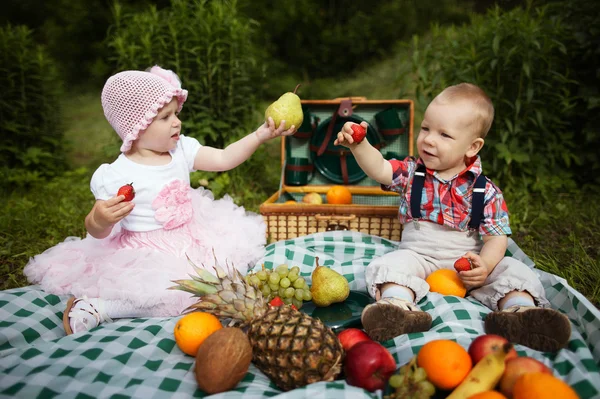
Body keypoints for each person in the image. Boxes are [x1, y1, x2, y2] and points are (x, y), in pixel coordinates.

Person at [24, 66, 296, 335]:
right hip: (146, 252)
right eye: (165, 117)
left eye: (175, 114)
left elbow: (224, 158)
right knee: (167, 294)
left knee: (215, 287)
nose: (176, 122)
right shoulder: (116, 174)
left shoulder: (181, 150)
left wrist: (260, 135)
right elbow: (95, 230)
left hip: (192, 237)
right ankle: (102, 307)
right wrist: (100, 219)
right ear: (136, 127)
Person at [334, 83, 571, 352]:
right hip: (419, 257)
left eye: (444, 134)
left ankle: (521, 314)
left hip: (468, 266)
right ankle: (396, 308)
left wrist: (484, 265)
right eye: (425, 129)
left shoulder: (485, 190)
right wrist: (359, 144)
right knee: (389, 265)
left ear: (473, 146)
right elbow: (380, 168)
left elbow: (496, 237)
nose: (429, 139)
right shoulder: (413, 173)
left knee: (514, 270)